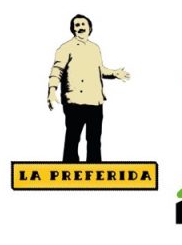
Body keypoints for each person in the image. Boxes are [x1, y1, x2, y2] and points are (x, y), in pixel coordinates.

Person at [47, 14, 130, 163]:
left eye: (83, 24)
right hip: (74, 102)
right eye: (77, 25)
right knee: (72, 139)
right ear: (72, 29)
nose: (80, 27)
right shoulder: (65, 48)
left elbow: (101, 70)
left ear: (90, 28)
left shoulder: (95, 48)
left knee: (94, 141)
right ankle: (69, 171)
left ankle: (95, 170)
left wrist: (114, 73)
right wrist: (52, 90)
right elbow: (57, 70)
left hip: (95, 101)